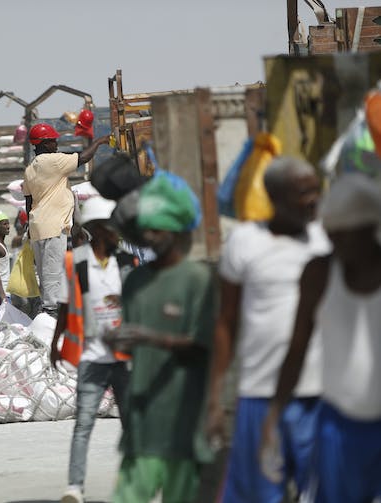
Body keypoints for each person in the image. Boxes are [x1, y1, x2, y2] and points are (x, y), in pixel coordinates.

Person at [206, 157, 328, 502]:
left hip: (319, 395)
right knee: (259, 495)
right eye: (302, 193)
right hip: (259, 395)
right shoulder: (244, 242)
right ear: (274, 196)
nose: (312, 200)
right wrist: (216, 399)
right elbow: (226, 322)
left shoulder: (327, 240)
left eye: (315, 190)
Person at [261, 174, 381, 503]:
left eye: (343, 236)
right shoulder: (320, 274)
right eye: (331, 235)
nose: (335, 243)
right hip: (338, 428)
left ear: (370, 230)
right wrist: (274, 416)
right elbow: (297, 348)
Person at [105, 173, 214, 503]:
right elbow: (135, 337)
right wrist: (119, 341)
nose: (150, 236)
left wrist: (154, 338)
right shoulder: (136, 281)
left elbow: (205, 345)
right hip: (143, 420)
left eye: (158, 229)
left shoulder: (199, 280)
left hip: (185, 420)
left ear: (177, 231)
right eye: (146, 229)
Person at [50, 196, 132, 503]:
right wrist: (56, 343)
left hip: (124, 358)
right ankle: (74, 487)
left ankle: (131, 482)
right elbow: (65, 305)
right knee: (83, 423)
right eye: (110, 228)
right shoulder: (76, 261)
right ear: (96, 229)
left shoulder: (126, 261)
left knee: (131, 425)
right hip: (92, 357)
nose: (116, 234)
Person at [22, 123, 110, 317]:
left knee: (46, 273)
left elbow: (29, 202)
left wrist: (30, 225)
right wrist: (100, 141)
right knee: (53, 273)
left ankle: (48, 310)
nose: (56, 144)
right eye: (53, 141)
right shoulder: (52, 161)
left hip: (37, 226)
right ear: (45, 144)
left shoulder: (30, 169)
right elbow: (83, 157)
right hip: (53, 226)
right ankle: (51, 312)